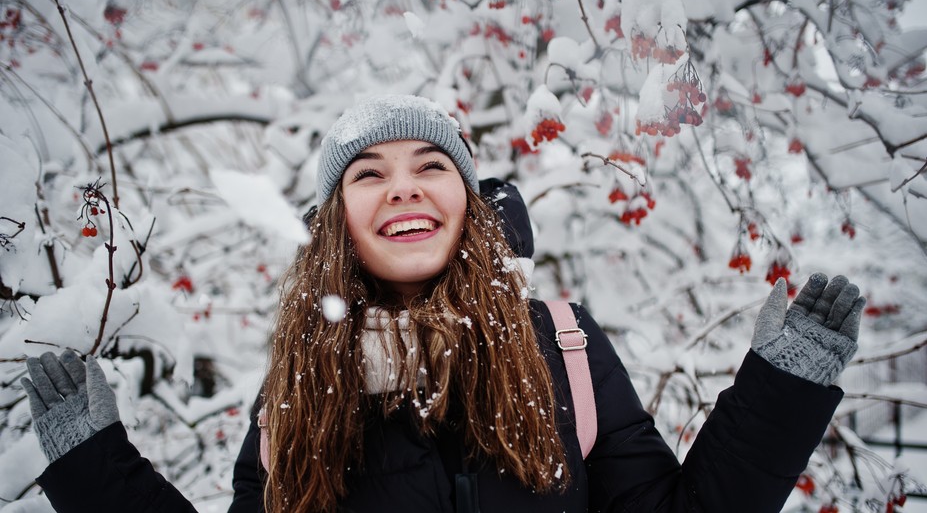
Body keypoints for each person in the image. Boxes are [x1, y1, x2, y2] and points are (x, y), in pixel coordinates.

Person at [21, 94, 866, 513]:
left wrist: (778, 396)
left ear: (468, 200)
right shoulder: (299, 390)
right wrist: (98, 477)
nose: (403, 189)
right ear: (337, 225)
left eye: (430, 164)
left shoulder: (561, 347)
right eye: (368, 173)